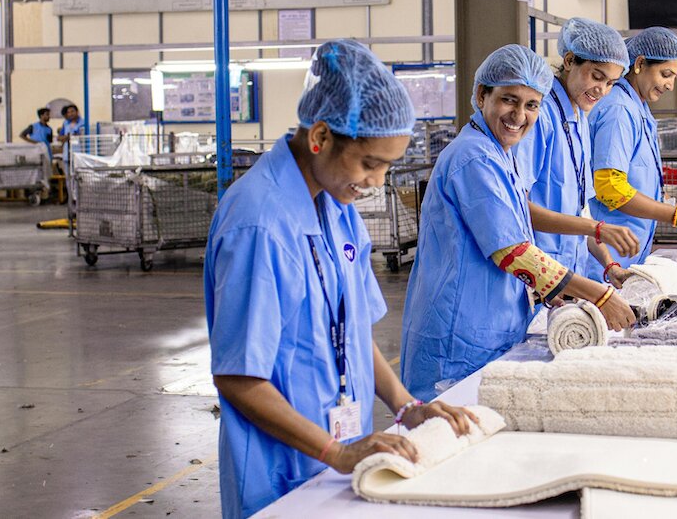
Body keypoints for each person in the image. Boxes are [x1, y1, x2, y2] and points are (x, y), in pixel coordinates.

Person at [204, 40, 477, 519]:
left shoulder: (336, 204)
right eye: (370, 164)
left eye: (387, 166)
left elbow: (352, 331)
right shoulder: (259, 224)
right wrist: (336, 452)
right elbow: (237, 377)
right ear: (321, 137)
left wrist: (406, 406)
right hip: (282, 468)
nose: (376, 182)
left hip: (342, 451)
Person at [401, 44, 636, 402]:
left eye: (532, 105)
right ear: (481, 95)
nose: (519, 115)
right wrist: (598, 294)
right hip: (458, 337)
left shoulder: (500, 154)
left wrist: (552, 289)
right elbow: (513, 252)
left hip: (491, 326)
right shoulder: (473, 158)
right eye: (509, 100)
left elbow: (513, 231)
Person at [515, 18, 641, 290]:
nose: (602, 90)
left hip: (567, 274)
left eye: (611, 83)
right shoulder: (540, 116)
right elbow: (516, 209)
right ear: (570, 60)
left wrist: (610, 266)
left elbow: (580, 212)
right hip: (534, 274)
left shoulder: (579, 119)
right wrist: (597, 229)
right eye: (597, 76)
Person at [586, 27, 677, 279]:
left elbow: (638, 176)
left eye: (675, 77)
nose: (670, 85)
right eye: (666, 74)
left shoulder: (639, 108)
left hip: (627, 252)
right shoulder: (618, 110)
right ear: (639, 64)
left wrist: (667, 201)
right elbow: (609, 187)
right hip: (606, 258)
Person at [57, 104, 83, 175]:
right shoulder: (66, 123)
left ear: (77, 112)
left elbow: (80, 136)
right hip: (66, 155)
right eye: (68, 112)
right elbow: (59, 137)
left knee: (78, 176)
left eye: (72, 111)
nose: (70, 114)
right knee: (68, 176)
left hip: (78, 154)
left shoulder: (83, 123)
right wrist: (68, 137)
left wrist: (67, 137)